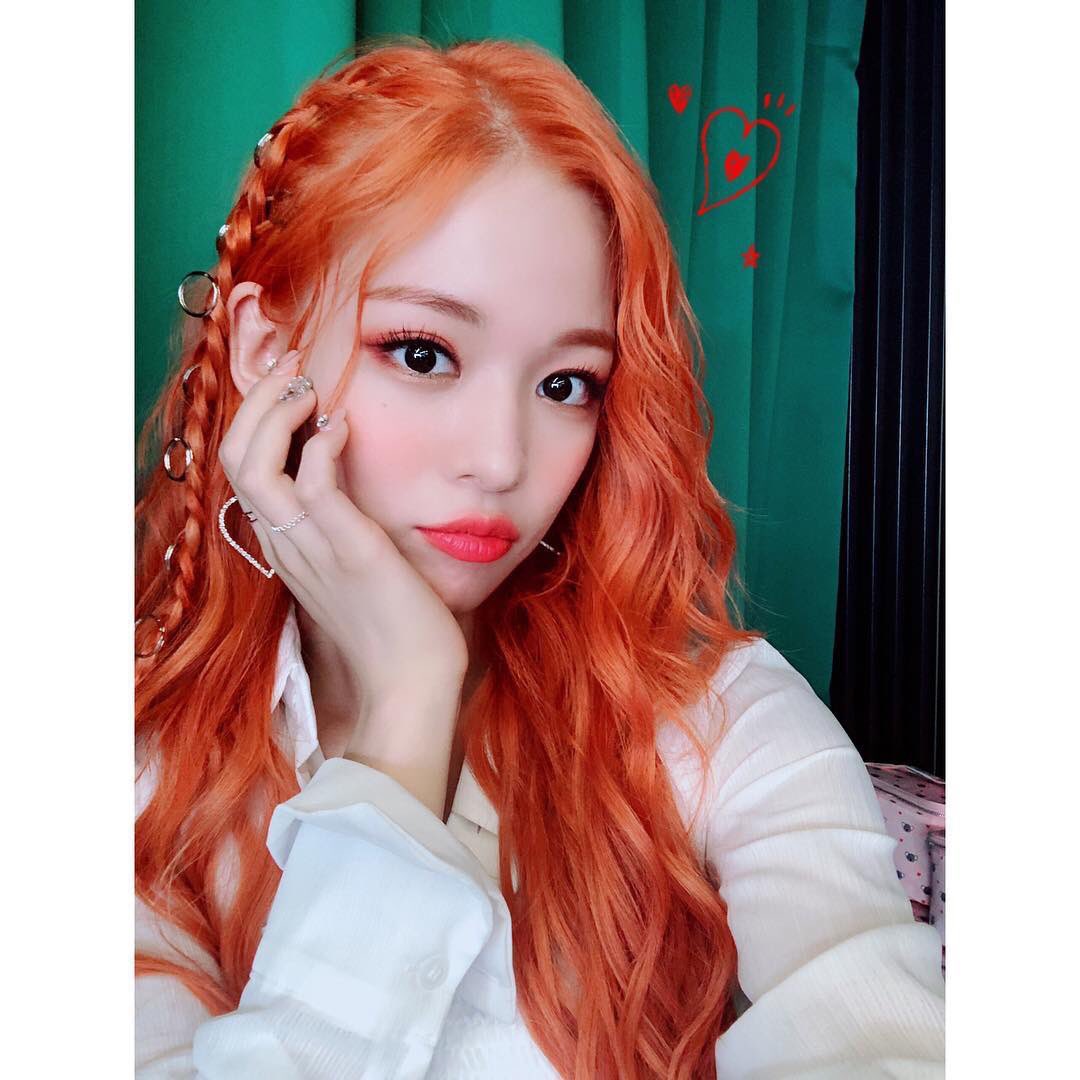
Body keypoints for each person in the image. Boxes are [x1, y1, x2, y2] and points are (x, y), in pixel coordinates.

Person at [134, 35, 946, 1079]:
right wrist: (406, 713)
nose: (501, 461)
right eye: (422, 353)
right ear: (264, 351)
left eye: (567, 385)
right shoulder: (138, 766)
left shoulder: (715, 720)